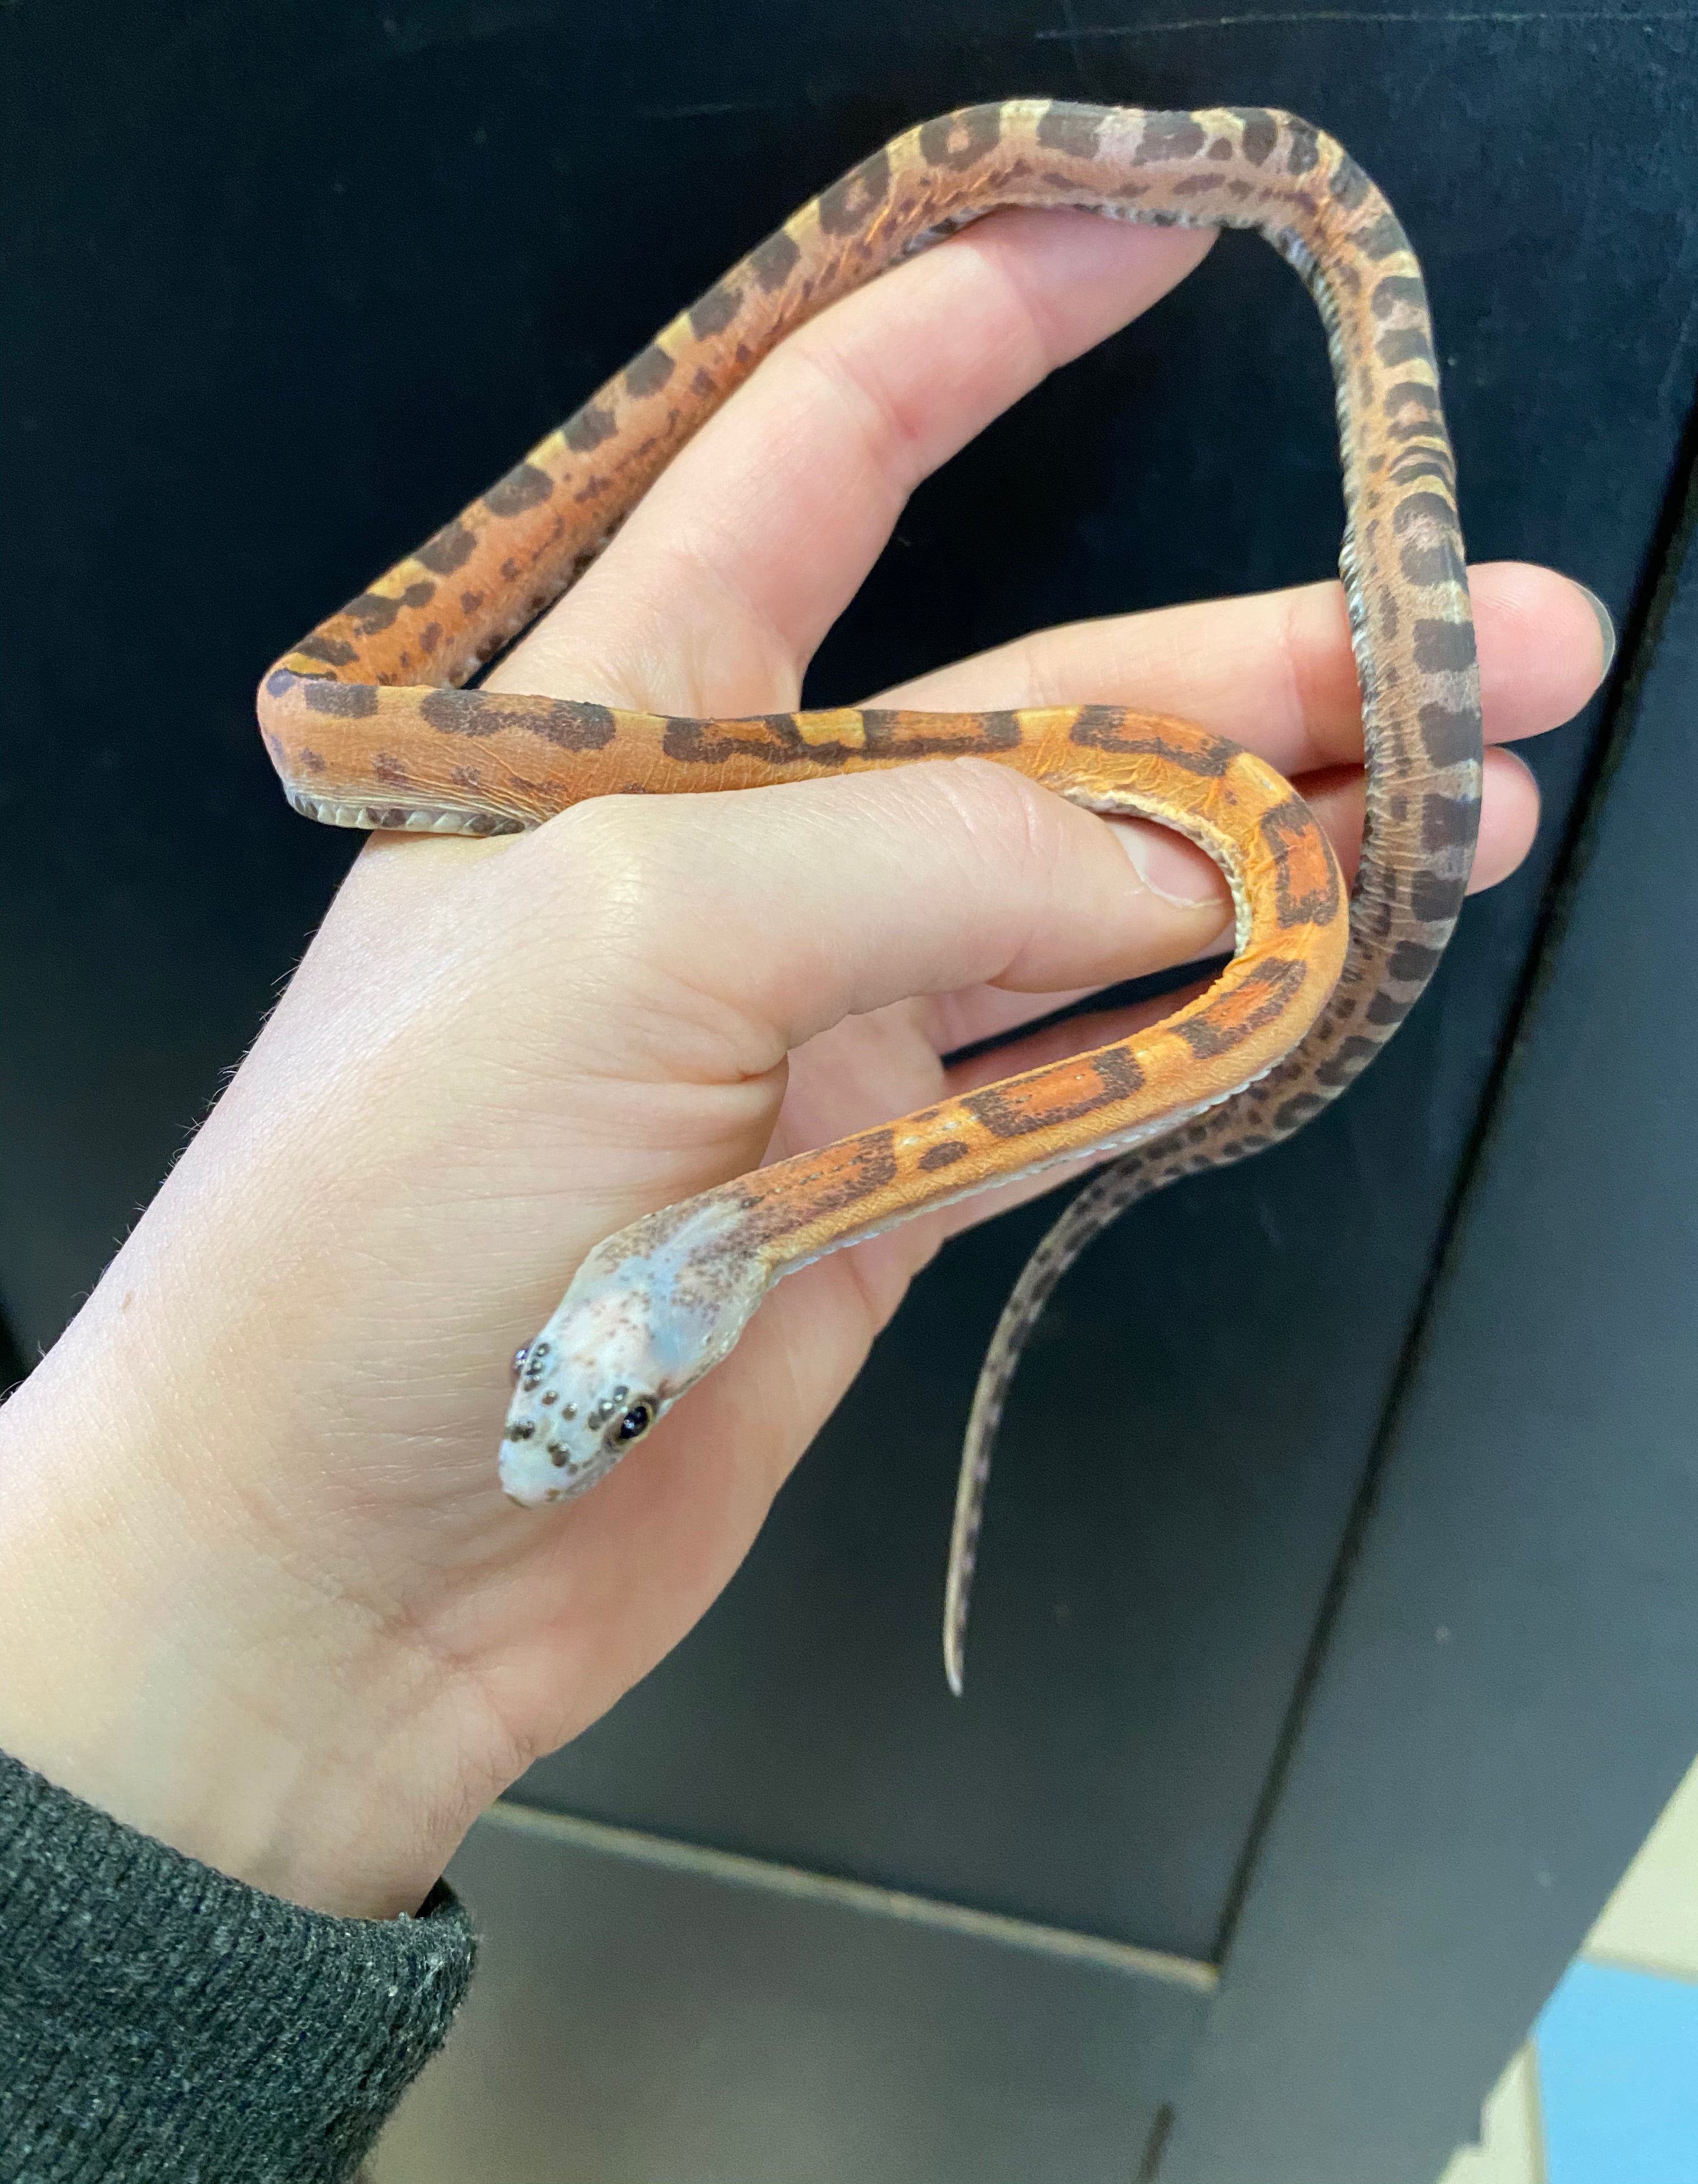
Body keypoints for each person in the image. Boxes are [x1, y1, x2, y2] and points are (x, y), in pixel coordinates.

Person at [0, 207, 1611, 2178]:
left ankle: (1283, 191)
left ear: (615, 1287)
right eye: (593, 1402)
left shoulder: (754, 1213)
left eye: (555, 1384)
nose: (545, 1434)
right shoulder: (738, 1210)